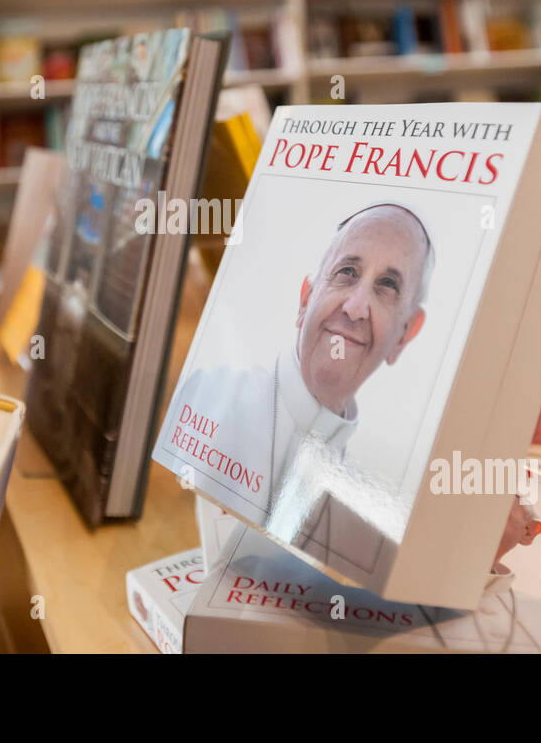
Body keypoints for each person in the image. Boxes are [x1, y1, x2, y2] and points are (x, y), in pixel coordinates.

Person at [162, 202, 432, 579]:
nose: (356, 308)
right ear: (305, 300)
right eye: (347, 272)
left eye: (386, 287)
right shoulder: (205, 395)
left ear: (405, 334)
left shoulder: (368, 498)